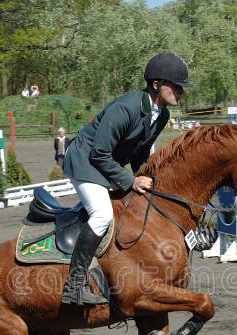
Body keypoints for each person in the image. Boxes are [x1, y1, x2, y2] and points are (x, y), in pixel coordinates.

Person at [60, 52, 190, 305]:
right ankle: (73, 287)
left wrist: (149, 177)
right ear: (156, 85)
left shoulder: (162, 115)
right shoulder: (125, 108)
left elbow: (140, 152)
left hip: (104, 163)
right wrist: (131, 181)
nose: (181, 92)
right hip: (85, 162)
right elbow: (99, 153)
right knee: (102, 215)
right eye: (176, 86)